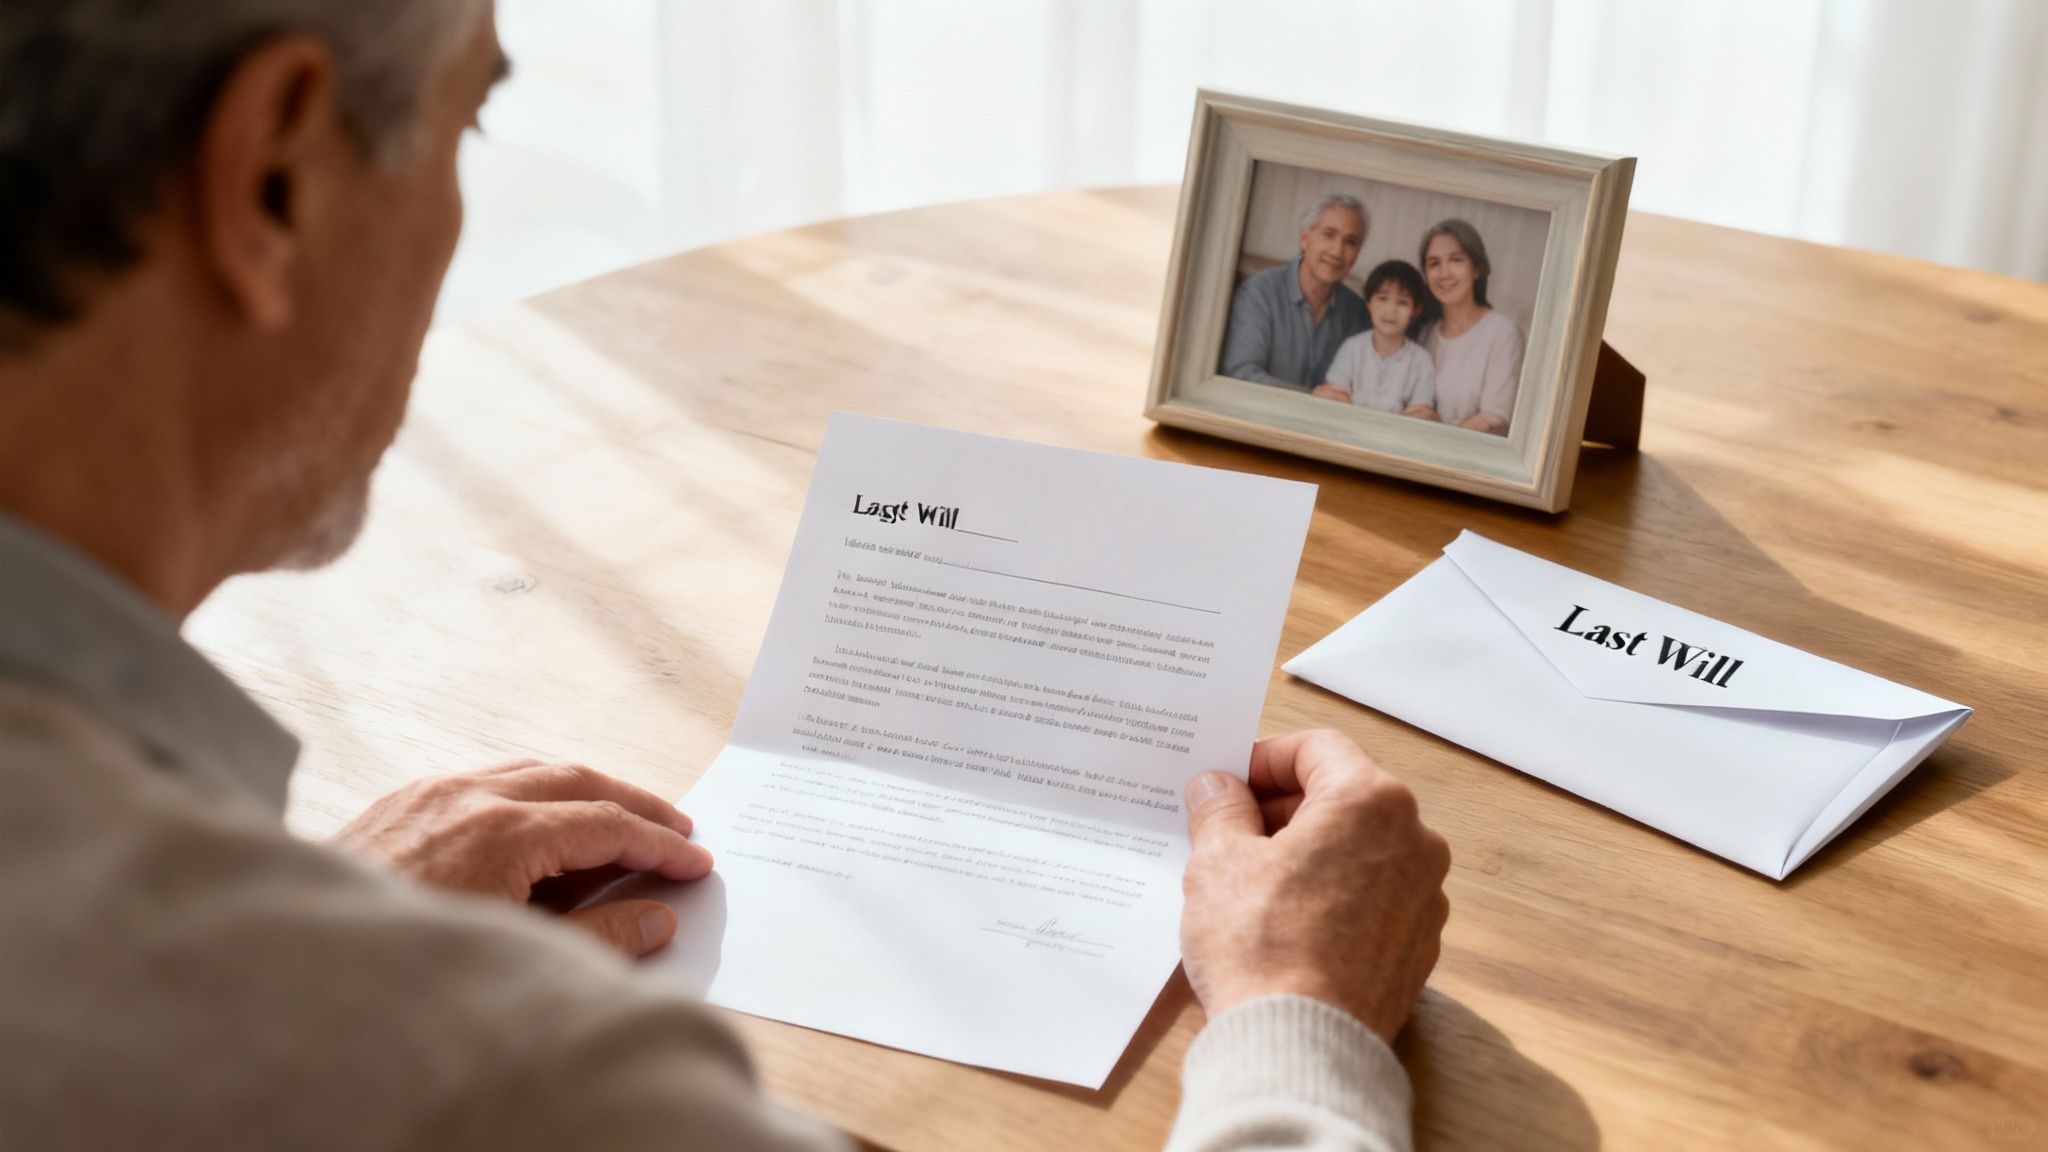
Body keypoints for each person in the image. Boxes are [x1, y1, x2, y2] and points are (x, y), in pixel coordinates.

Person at [0, 3, 1452, 1151]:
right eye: (471, 118)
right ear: (273, 176)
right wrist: (1297, 1016)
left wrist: (298, 935)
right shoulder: (478, 1078)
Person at [1218, 193, 1370, 390]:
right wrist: (1312, 397)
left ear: (1357, 254)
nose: (1337, 251)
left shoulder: (1358, 312)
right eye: (1328, 235)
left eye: (1350, 242)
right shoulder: (1259, 292)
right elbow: (1240, 373)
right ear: (1305, 238)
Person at [1419, 219, 1525, 435]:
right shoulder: (1425, 333)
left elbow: (1495, 418)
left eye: (1456, 260)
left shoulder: (1503, 333)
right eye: (1434, 263)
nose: (1444, 273)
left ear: (1477, 268)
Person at [1313, 259, 1438, 420]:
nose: (1390, 311)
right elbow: (1332, 396)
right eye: (1382, 298)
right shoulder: (1352, 348)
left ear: (1416, 310)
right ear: (1368, 303)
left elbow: (1421, 413)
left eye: (1402, 303)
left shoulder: (1421, 361)